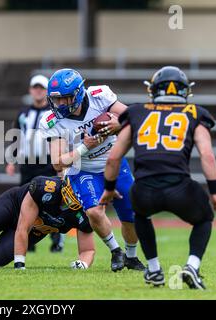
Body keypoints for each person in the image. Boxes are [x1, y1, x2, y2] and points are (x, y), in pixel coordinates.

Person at [100, 66, 216, 289]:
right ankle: (192, 266)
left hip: (144, 188)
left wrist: (109, 189)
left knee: (140, 215)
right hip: (180, 187)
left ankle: (153, 269)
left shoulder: (137, 112)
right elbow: (207, 155)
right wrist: (215, 193)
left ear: (153, 90)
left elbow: (113, 158)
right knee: (204, 218)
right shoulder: (195, 112)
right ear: (185, 90)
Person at [39, 68, 145, 272]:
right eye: (56, 100)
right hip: (83, 170)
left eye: (65, 99)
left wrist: (119, 123)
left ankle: (131, 257)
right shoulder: (51, 121)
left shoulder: (100, 96)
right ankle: (116, 251)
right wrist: (85, 147)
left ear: (78, 93)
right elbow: (58, 163)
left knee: (130, 216)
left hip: (114, 162)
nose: (60, 104)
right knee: (94, 212)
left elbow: (133, 116)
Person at [5, 74, 65, 253]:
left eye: (42, 88)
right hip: (27, 163)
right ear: (31, 90)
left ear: (47, 92)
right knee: (25, 202)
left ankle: (57, 239)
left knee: (52, 201)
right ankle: (28, 240)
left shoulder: (54, 113)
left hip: (48, 162)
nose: (38, 91)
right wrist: (11, 160)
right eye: (35, 88)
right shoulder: (23, 113)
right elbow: (16, 135)